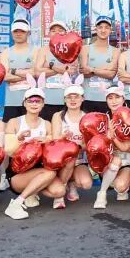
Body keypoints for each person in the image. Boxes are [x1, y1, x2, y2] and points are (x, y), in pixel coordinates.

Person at [3, 79, 66, 220]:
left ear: (43, 104)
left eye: (38, 101)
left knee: (59, 191)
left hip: (39, 170)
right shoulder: (14, 122)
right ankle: (17, 203)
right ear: (24, 103)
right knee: (50, 174)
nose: (34, 104)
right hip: (18, 173)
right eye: (30, 101)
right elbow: (8, 151)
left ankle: (32, 191)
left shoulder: (47, 124)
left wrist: (48, 141)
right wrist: (19, 139)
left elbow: (53, 150)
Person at [49, 78, 92, 206]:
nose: (73, 100)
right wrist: (63, 138)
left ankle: (71, 183)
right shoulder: (58, 115)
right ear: (64, 99)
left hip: (79, 159)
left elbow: (88, 145)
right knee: (69, 161)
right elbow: (55, 141)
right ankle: (61, 191)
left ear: (82, 99)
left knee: (86, 183)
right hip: (61, 160)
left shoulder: (88, 117)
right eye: (69, 97)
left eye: (76, 96)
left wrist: (78, 146)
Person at [93, 82, 130, 209]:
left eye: (117, 97)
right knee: (115, 161)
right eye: (110, 98)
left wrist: (112, 137)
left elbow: (125, 147)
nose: (114, 101)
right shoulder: (102, 119)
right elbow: (98, 144)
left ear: (123, 99)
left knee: (120, 186)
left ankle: (122, 186)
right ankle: (102, 193)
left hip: (127, 161)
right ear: (106, 101)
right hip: (108, 160)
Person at [80, 15, 121, 113]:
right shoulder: (85, 49)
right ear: (96, 29)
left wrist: (92, 69)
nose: (103, 30)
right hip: (88, 97)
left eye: (106, 27)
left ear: (110, 30)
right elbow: (84, 72)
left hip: (108, 99)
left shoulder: (116, 51)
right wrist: (105, 70)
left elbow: (111, 74)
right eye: (100, 27)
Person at [0, 19, 38, 122]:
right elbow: (4, 76)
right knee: (10, 130)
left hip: (32, 101)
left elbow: (36, 73)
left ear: (28, 33)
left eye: (22, 31)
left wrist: (13, 71)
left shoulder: (36, 51)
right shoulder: (5, 53)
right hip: (11, 102)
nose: (18, 34)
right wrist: (27, 74)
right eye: (16, 31)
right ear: (11, 33)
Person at [35, 19, 72, 120]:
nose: (56, 33)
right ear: (49, 33)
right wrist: (60, 69)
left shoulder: (71, 49)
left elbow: (71, 71)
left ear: (66, 33)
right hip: (46, 100)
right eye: (53, 30)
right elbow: (38, 72)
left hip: (66, 100)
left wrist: (49, 66)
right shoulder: (43, 50)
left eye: (60, 30)